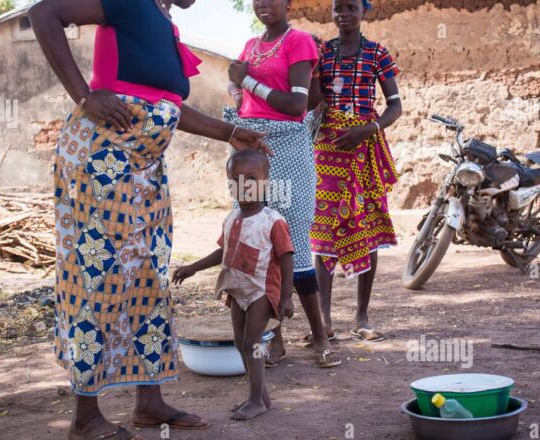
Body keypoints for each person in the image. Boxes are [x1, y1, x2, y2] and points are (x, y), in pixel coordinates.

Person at [29, 0, 270, 438]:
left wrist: (231, 133)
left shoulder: (163, 21)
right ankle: (85, 416)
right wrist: (84, 94)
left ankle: (149, 402)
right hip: (101, 164)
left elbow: (169, 108)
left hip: (144, 171)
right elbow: (43, 13)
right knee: (97, 277)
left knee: (148, 278)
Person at [226, 0, 341, 369]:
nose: (263, 4)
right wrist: (237, 93)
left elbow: (295, 105)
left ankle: (320, 335)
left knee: (293, 242)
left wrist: (244, 80)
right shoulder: (249, 46)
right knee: (254, 237)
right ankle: (271, 338)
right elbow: (239, 96)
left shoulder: (300, 42)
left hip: (288, 148)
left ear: (288, 3)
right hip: (248, 149)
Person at [172, 150, 295, 421]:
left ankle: (255, 401)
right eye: (235, 180)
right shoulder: (232, 218)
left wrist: (286, 297)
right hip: (237, 290)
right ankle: (260, 395)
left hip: (261, 291)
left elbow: (287, 257)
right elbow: (223, 252)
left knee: (252, 341)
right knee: (240, 341)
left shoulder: (273, 220)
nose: (244, 185)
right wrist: (193, 267)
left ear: (266, 181)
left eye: (251, 178)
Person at [308, 0, 402, 343]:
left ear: (365, 11)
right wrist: (313, 68)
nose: (343, 14)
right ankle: (324, 318)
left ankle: (361, 316)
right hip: (328, 148)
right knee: (323, 231)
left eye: (351, 7)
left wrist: (369, 129)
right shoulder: (323, 53)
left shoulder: (378, 54)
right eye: (337, 8)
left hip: (364, 148)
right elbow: (312, 101)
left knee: (368, 224)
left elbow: (395, 106)